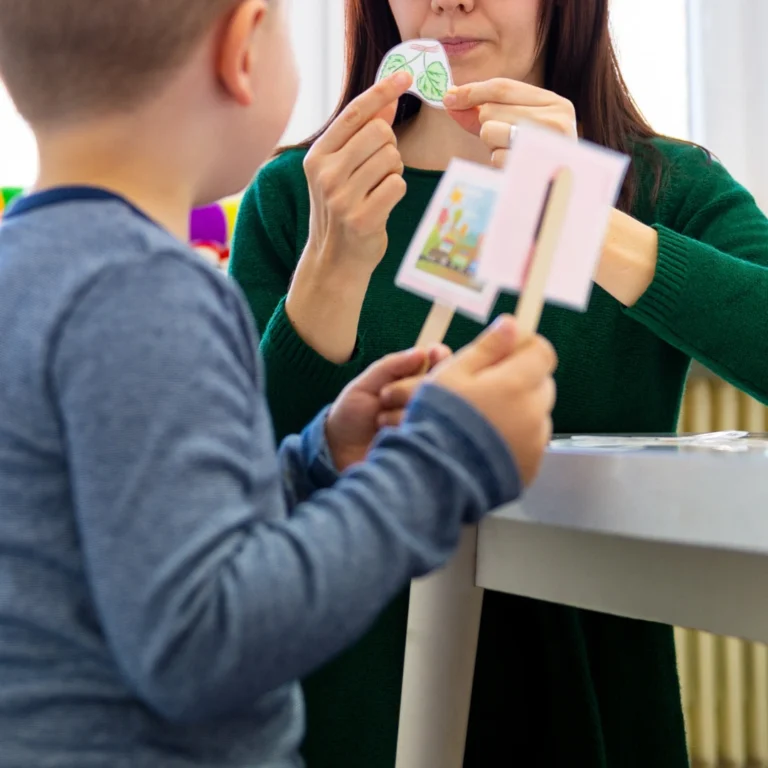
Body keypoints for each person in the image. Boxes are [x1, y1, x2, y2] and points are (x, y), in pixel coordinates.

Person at [0, 0, 560, 766]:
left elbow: (133, 533)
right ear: (242, 49)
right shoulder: (152, 290)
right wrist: (446, 456)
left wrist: (313, 459)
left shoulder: (28, 270)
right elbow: (204, 643)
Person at [229, 0, 768, 766]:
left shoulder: (667, 187)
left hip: (590, 706)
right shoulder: (298, 195)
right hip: (348, 712)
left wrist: (592, 222)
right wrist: (329, 275)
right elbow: (236, 494)